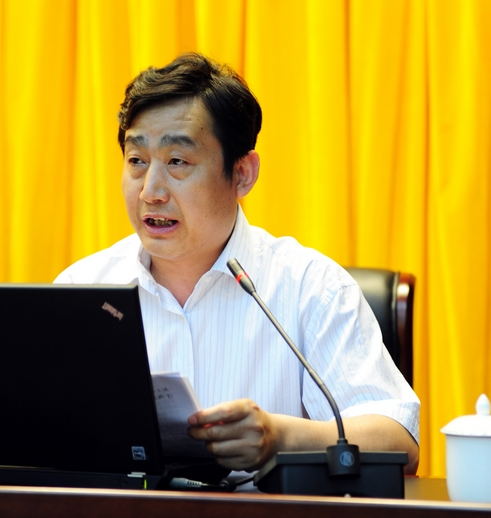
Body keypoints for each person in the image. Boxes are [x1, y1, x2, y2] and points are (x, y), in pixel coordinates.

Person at [55, 53, 420, 474]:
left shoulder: (311, 288)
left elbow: (399, 442)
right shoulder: (82, 288)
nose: (150, 191)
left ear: (243, 173)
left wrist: (281, 438)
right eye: (137, 161)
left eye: (177, 162)